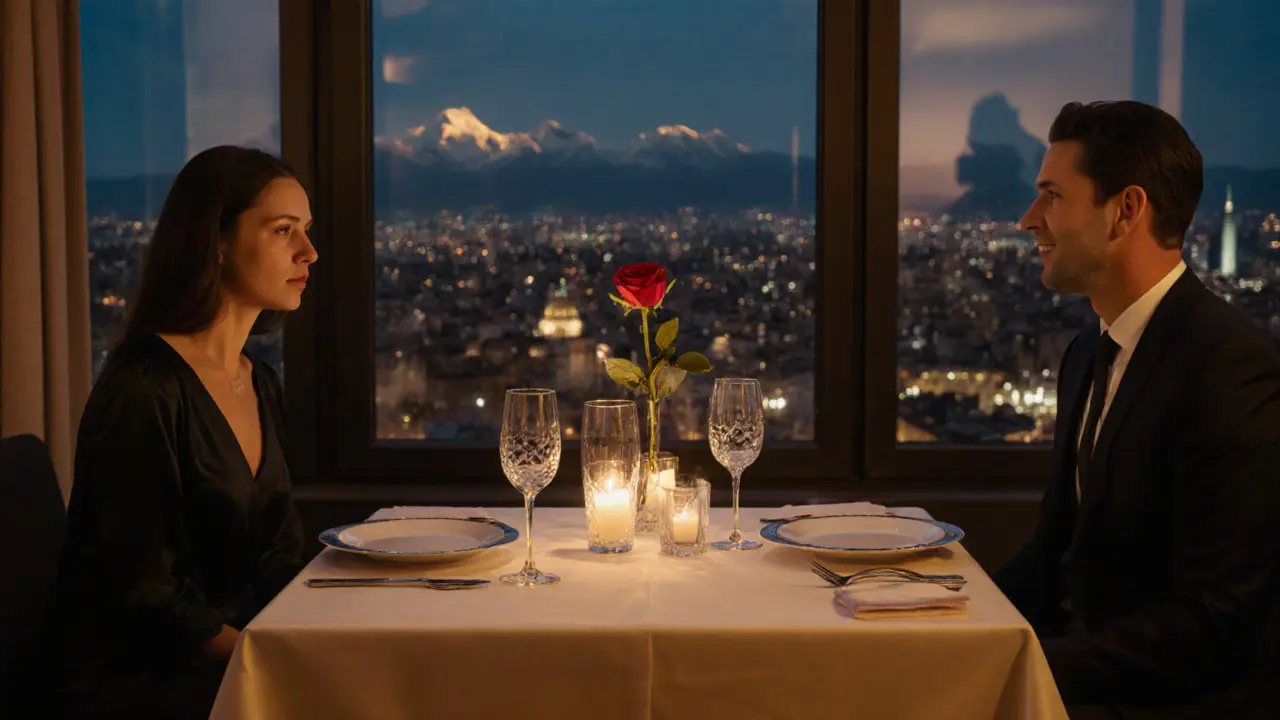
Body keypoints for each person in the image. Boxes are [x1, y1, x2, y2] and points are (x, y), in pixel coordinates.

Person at [994, 100, 1280, 719]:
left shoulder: (1227, 365)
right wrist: (933, 608)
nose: (1028, 220)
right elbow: (1052, 556)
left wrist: (1029, 667)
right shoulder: (1086, 353)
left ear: (1126, 210)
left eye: (1052, 196)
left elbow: (1218, 617)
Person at [44, 145, 317, 719]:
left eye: (306, 231)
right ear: (215, 242)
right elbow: (145, 594)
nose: (308, 253)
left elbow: (280, 556)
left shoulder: (257, 381)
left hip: (230, 669)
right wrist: (269, 661)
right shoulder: (143, 389)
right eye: (283, 230)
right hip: (148, 688)